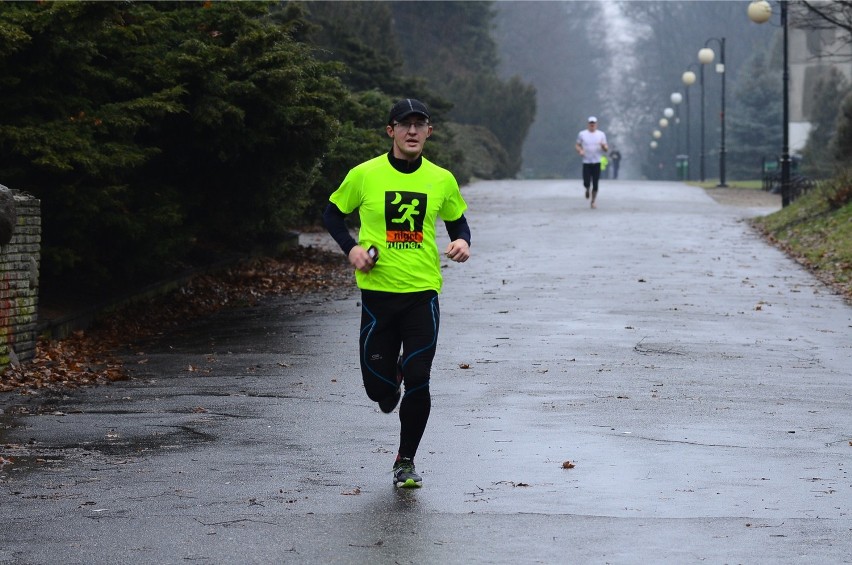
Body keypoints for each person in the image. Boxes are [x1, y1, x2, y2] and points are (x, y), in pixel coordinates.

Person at [322, 98, 471, 489]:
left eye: (419, 125)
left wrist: (462, 243)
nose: (412, 131)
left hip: (422, 293)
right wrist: (351, 248)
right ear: (390, 131)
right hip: (377, 298)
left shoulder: (441, 179)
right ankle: (392, 380)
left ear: (428, 132)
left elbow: (459, 223)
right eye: (404, 125)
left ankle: (406, 461)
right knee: (380, 391)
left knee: (420, 376)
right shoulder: (365, 175)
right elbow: (332, 213)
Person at [575, 116, 609, 208]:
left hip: (597, 162)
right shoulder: (582, 134)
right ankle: (587, 189)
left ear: (596, 124)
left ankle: (593, 201)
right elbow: (577, 145)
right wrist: (580, 151)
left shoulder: (601, 134)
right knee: (586, 181)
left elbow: (606, 148)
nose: (592, 125)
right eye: (590, 123)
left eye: (593, 123)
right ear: (588, 124)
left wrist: (603, 146)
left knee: (595, 183)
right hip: (586, 161)